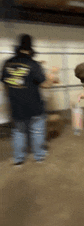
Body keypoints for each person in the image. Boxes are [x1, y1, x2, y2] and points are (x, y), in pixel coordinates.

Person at [0, 34, 58, 166]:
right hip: (34, 106)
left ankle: (19, 159)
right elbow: (45, 85)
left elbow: (5, 85)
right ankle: (39, 156)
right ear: (30, 49)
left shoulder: (7, 63)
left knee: (18, 132)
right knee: (37, 131)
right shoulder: (33, 64)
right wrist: (53, 74)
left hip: (15, 106)